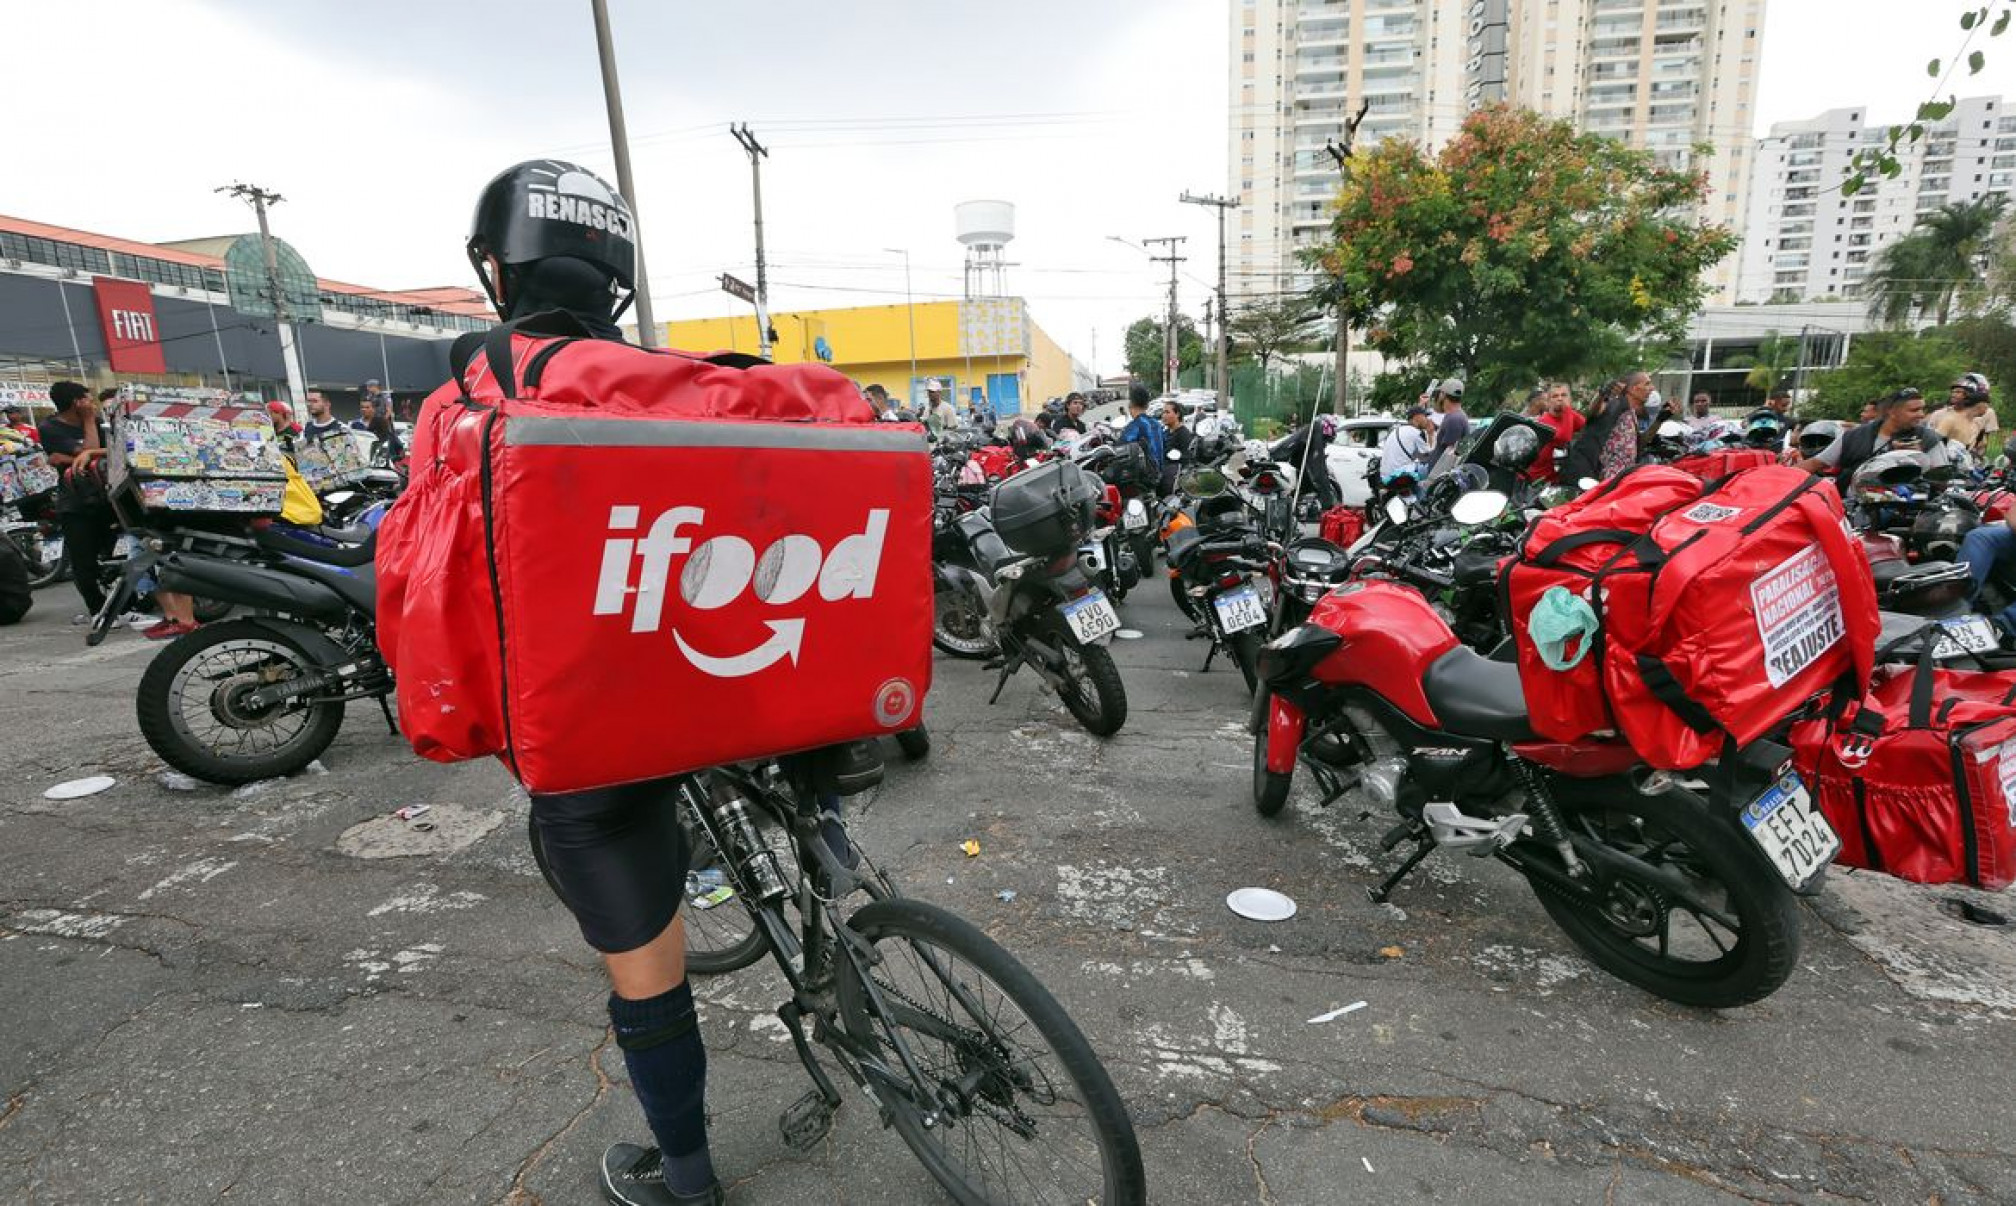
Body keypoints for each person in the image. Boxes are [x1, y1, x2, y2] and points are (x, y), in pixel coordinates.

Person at [449, 160, 730, 1206]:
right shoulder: (691, 385)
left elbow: (438, 596)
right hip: (741, 689)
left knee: (646, 971)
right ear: (616, 273)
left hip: (599, 730)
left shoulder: (472, 398)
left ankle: (689, 1174)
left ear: (494, 269)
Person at [37, 383, 120, 623]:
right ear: (77, 403)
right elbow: (93, 450)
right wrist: (88, 425)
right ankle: (98, 612)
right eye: (88, 399)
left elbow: (112, 450)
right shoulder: (50, 427)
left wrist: (73, 456)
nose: (92, 404)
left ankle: (126, 605)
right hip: (77, 501)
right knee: (83, 561)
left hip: (109, 496)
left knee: (119, 553)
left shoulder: (100, 422)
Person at [1799, 386, 1948, 487]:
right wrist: (1780, 478)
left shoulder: (1929, 439)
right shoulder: (1854, 436)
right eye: (1914, 410)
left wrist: (1920, 459)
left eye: (1922, 409)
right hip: (1852, 509)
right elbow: (1814, 464)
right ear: (1892, 412)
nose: (1921, 415)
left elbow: (1942, 481)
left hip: (1908, 516)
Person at [1562, 373, 1648, 484]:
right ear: (1633, 388)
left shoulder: (1631, 414)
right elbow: (1593, 410)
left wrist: (1660, 419)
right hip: (1600, 479)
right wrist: (1603, 393)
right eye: (1647, 384)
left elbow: (1638, 445)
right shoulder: (1613, 404)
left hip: (1622, 480)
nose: (1651, 388)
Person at [1528, 381, 1586, 483]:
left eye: (1564, 395)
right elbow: (1563, 438)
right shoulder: (1544, 421)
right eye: (1555, 396)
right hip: (1539, 480)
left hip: (1560, 476)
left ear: (1569, 398)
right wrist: (1567, 408)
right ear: (1549, 401)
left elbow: (1586, 427)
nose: (1560, 399)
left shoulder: (1570, 414)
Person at [1379, 405, 1435, 498]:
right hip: (1400, 476)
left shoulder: (1397, 430)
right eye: (1425, 416)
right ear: (1417, 417)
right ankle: (1423, 501)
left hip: (1386, 475)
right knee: (1427, 471)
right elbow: (1429, 454)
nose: (1427, 419)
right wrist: (1431, 433)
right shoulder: (1416, 433)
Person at [1118, 384, 1165, 465]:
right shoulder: (1157, 424)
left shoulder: (1134, 427)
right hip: (1160, 472)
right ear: (1147, 405)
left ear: (1131, 404)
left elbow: (1119, 450)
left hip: (1144, 475)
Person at [1430, 378, 1470, 460]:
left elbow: (1449, 456)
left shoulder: (1454, 419)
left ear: (1442, 395)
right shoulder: (1456, 417)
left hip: (1438, 472)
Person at [1159, 402, 1194, 494]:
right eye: (1163, 412)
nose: (1163, 415)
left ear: (1177, 414)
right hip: (1162, 476)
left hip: (1175, 482)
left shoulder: (1183, 434)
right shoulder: (1165, 432)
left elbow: (1187, 458)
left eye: (1167, 412)